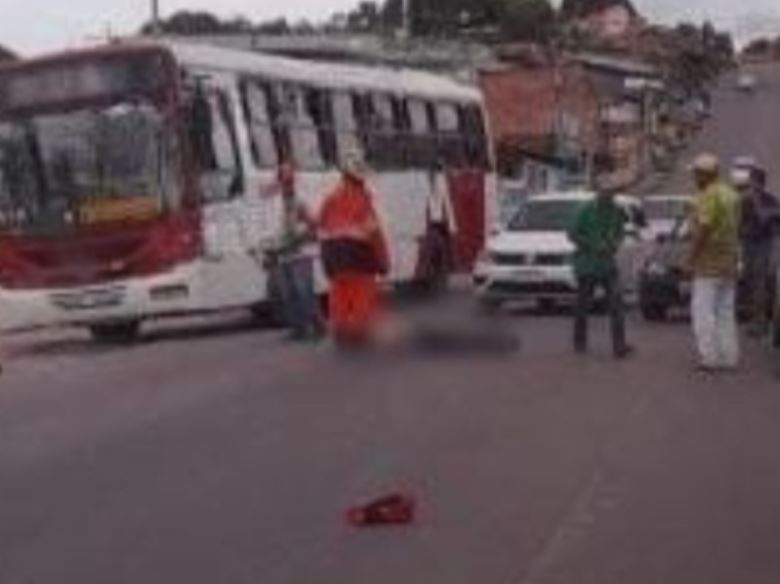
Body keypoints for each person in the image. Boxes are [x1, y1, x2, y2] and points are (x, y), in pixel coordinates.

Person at [318, 150, 389, 348]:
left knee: (339, 293)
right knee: (362, 293)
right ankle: (359, 333)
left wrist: (327, 261)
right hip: (357, 254)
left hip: (333, 255)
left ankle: (340, 332)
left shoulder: (330, 198)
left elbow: (321, 229)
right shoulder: (362, 198)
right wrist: (383, 260)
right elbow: (374, 233)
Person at [687, 153, 741, 371]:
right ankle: (729, 357)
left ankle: (709, 358)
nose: (693, 178)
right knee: (725, 312)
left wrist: (691, 258)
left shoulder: (709, 195)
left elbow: (705, 229)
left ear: (705, 174)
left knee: (703, 312)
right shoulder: (732, 194)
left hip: (709, 263)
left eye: (696, 174)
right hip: (729, 260)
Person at [567, 191, 634, 359]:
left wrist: (614, 244)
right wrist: (592, 244)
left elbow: (621, 232)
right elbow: (572, 233)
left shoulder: (616, 211)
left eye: (611, 195)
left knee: (616, 305)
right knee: (583, 306)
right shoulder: (584, 209)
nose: (609, 198)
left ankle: (619, 346)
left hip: (607, 265)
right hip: (587, 264)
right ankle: (579, 342)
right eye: (605, 194)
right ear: (599, 194)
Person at [262, 161, 324, 341]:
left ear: (293, 180)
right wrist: (271, 250)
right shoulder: (277, 203)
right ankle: (300, 328)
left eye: (288, 178)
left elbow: (314, 225)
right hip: (284, 253)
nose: (286, 182)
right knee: (289, 293)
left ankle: (317, 325)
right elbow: (273, 225)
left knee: (303, 291)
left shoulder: (300, 201)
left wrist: (300, 235)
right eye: (283, 178)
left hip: (301, 252)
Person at [737, 163, 780, 337]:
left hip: (764, 244)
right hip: (748, 244)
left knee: (760, 282)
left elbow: (765, 218)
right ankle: (753, 320)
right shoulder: (743, 200)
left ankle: (760, 324)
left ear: (759, 182)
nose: (751, 185)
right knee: (749, 280)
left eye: (753, 181)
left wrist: (756, 203)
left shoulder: (771, 200)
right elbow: (737, 223)